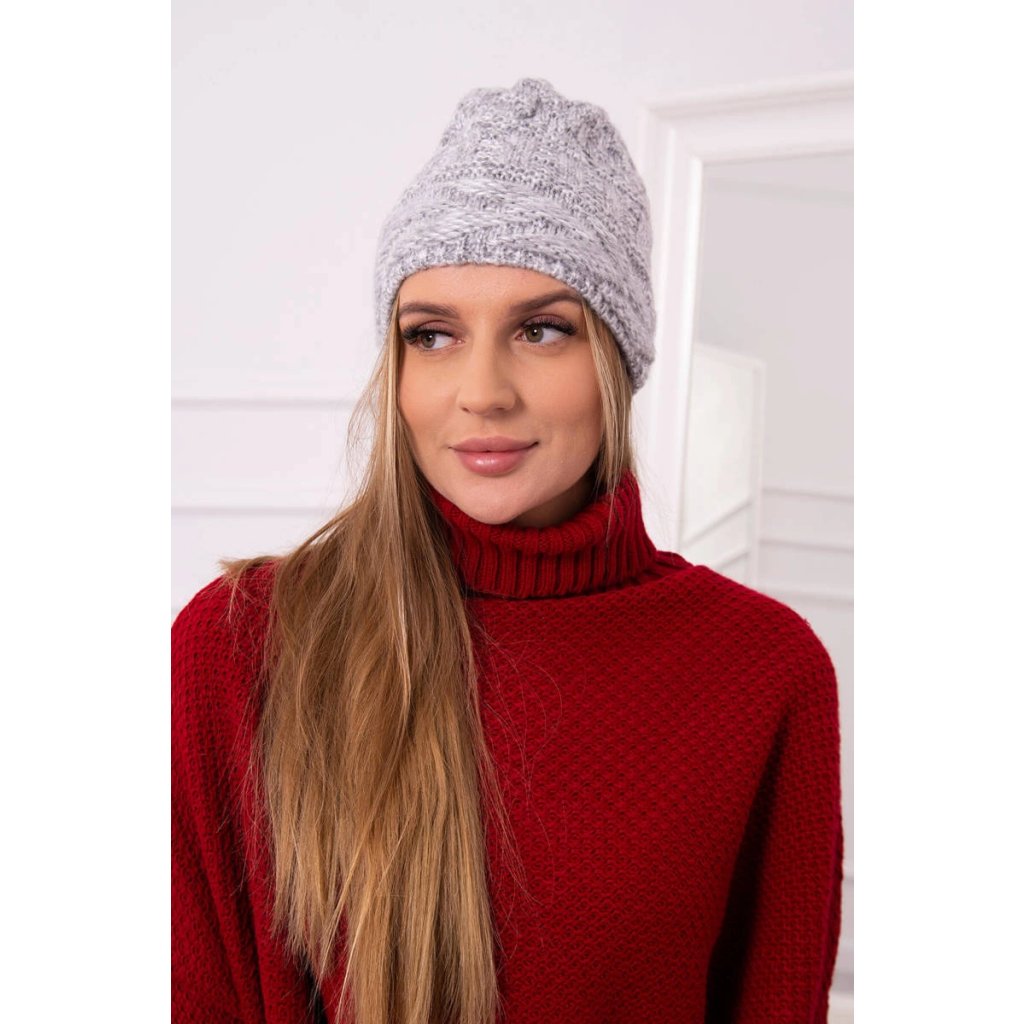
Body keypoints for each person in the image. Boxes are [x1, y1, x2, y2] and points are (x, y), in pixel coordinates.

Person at [172, 77, 844, 1024]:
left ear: (615, 358)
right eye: (433, 335)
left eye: (541, 329)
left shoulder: (763, 671)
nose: (482, 390)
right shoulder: (241, 645)